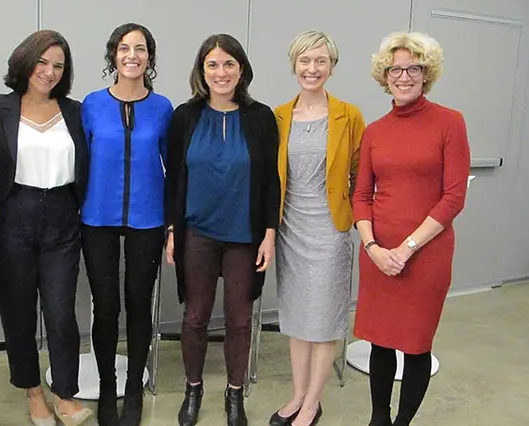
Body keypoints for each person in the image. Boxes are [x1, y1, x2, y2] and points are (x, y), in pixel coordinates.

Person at [352, 31, 470, 426]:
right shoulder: (375, 131)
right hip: (378, 254)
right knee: (381, 342)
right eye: (395, 69)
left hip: (425, 255)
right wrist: (373, 248)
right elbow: (361, 196)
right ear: (384, 76)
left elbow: (453, 197)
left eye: (413, 68)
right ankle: (378, 419)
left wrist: (406, 249)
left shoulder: (450, 123)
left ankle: (401, 423)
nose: (403, 76)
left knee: (416, 344)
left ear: (426, 73)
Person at [165, 33, 280, 426]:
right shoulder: (185, 116)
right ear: (202, 70)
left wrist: (269, 232)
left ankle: (235, 394)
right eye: (212, 64)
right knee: (195, 316)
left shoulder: (261, 117)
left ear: (242, 69)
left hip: (244, 236)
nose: (221, 72)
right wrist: (171, 230)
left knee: (238, 319)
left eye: (229, 63)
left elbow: (270, 181)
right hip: (197, 232)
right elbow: (174, 180)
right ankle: (192, 388)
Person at [0, 30, 93, 426]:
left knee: (61, 311)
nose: (49, 72)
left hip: (63, 216)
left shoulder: (75, 111)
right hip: (13, 215)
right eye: (42, 62)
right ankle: (33, 392)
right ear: (25, 61)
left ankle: (64, 394)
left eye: (58, 66)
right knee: (17, 313)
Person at [269, 30, 366, 426]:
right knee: (295, 317)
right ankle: (296, 394)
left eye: (321, 61)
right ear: (294, 65)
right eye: (305, 61)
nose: (312, 68)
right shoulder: (278, 116)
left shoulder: (349, 115)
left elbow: (362, 174)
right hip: (289, 227)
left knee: (323, 319)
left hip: (330, 231)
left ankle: (313, 401)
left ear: (332, 66)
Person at [80, 22, 173, 426]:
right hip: (97, 217)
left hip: (147, 219)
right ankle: (106, 387)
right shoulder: (91, 104)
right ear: (113, 56)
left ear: (149, 57)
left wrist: (171, 225)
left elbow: (172, 166)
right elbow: (79, 160)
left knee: (138, 303)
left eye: (140, 48)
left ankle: (133, 386)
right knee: (106, 306)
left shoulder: (164, 108)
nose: (131, 55)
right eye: (123, 48)